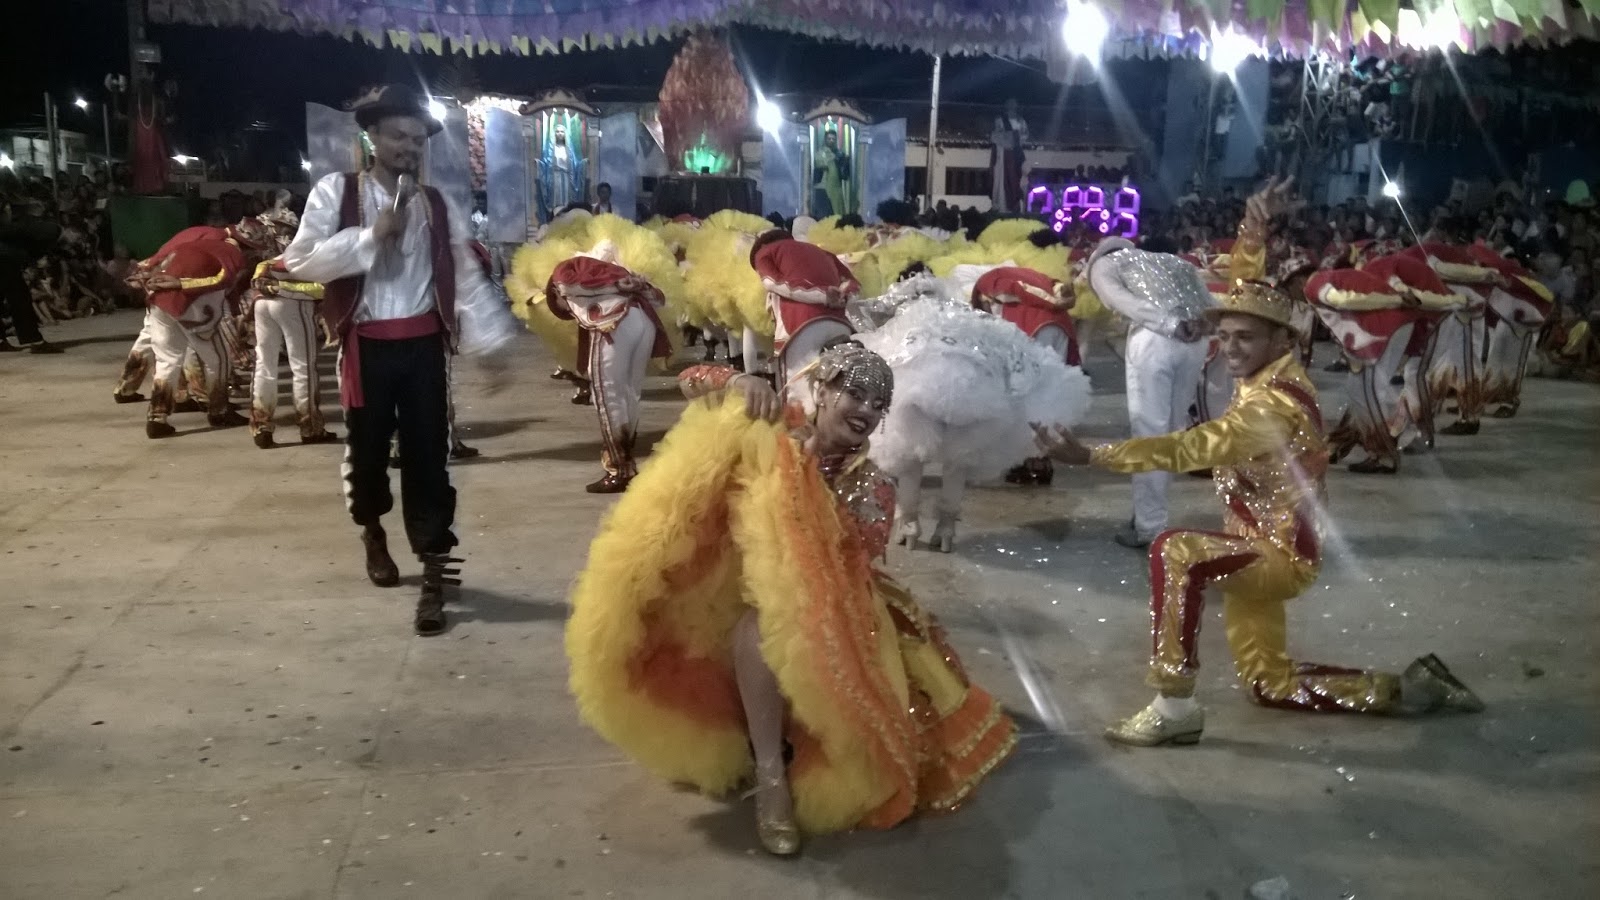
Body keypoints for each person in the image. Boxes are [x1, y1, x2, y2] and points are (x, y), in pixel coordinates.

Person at [565, 342, 1016, 856]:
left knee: (762, 630)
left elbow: (848, 569)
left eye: (878, 404)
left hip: (827, 603)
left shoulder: (873, 486)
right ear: (821, 391)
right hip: (726, 585)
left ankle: (771, 776)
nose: (866, 410)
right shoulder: (772, 430)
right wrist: (738, 382)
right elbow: (690, 380)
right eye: (855, 393)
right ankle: (756, 744)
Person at [1032, 281, 1484, 747]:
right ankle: (1407, 688)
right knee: (1269, 683)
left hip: (1278, 556)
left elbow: (1199, 445)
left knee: (1176, 550)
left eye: (1245, 337)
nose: (1229, 347)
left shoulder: (1274, 404)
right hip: (1253, 545)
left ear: (1281, 340)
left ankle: (1174, 707)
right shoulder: (1261, 382)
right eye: (1225, 336)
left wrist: (1094, 455)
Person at [281, 83, 519, 636]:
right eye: (398, 136)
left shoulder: (436, 203)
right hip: (365, 348)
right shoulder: (335, 192)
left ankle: (434, 567)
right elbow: (301, 261)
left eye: (417, 139)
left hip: (422, 348)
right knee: (366, 458)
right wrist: (368, 236)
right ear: (372, 136)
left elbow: (462, 275)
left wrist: (489, 344)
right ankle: (372, 529)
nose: (409, 147)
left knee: (429, 457)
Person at [1085, 237, 1214, 547]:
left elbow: (1121, 301)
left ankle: (1149, 525)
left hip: (1155, 338)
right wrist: (1203, 326)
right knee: (1173, 431)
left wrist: (1168, 324)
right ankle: (1150, 514)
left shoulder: (1106, 264)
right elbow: (1210, 303)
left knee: (1150, 433)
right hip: (1195, 342)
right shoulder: (1177, 263)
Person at [544, 249, 672, 493]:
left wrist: (616, 286)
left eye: (563, 309)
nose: (569, 312)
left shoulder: (562, 275)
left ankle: (618, 469)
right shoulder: (617, 272)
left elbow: (567, 287)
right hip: (642, 319)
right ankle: (626, 455)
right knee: (630, 392)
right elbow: (660, 299)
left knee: (607, 394)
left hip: (613, 322)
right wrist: (626, 285)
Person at [133, 237, 253, 437]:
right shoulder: (232, 254)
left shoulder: (188, 243)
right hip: (194, 306)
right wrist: (183, 284)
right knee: (219, 360)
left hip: (159, 301)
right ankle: (219, 411)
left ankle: (157, 417)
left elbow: (155, 262)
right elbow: (224, 281)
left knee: (167, 362)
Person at [749, 229, 859, 389]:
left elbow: (772, 283)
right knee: (838, 387)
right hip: (840, 323)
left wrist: (822, 295)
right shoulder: (823, 252)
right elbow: (852, 283)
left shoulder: (765, 252)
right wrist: (842, 296)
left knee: (797, 389)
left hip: (799, 325)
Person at [246, 256, 337, 448]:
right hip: (294, 302)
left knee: (264, 364)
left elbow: (258, 275)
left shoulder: (276, 257)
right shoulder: (315, 254)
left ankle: (260, 426)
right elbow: (325, 288)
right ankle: (310, 428)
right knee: (303, 366)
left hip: (262, 301)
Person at [990, 99, 1028, 215]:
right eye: (1010, 104)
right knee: (1002, 179)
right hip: (1003, 154)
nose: (1012, 106)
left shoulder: (1021, 121)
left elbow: (1024, 135)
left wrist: (1015, 138)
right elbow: (996, 135)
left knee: (1016, 178)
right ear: (1006, 106)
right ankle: (1001, 206)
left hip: (1016, 153)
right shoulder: (1000, 120)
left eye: (1014, 104)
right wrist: (1008, 138)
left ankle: (1015, 205)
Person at [811, 129, 850, 218]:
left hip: (836, 189)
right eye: (829, 139)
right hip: (823, 188)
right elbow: (819, 164)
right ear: (825, 140)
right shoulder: (819, 153)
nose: (831, 141)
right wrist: (831, 158)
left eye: (833, 139)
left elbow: (845, 175)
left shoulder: (840, 154)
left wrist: (844, 162)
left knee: (838, 214)